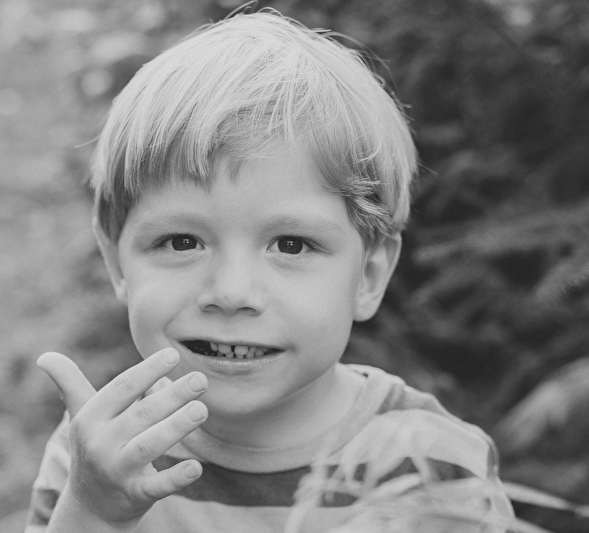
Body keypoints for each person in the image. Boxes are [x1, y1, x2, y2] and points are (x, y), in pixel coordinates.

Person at [25, 9, 514, 533]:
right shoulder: (101, 454)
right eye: (183, 242)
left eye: (291, 245)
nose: (232, 292)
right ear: (116, 261)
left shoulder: (433, 466)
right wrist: (93, 510)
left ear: (369, 276)